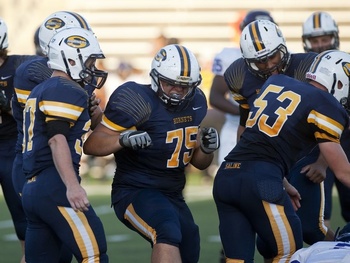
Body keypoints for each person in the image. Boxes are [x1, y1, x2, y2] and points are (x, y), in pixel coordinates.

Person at [83, 44, 220, 263]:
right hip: (135, 190)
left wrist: (206, 149)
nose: (178, 91)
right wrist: (123, 139)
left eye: (184, 86)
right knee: (166, 229)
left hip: (173, 193)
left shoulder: (196, 102)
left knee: (190, 240)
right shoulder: (137, 100)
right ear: (156, 78)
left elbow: (201, 164)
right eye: (170, 84)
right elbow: (91, 144)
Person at [214, 49, 350, 262]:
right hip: (261, 180)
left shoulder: (276, 82)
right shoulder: (326, 103)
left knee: (237, 260)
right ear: (339, 81)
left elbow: (257, 142)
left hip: (227, 177)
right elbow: (343, 172)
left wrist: (284, 183)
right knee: (288, 255)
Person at [224, 19, 335, 248]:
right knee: (268, 238)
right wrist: (247, 161)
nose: (268, 64)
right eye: (259, 61)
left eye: (272, 56)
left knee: (311, 229)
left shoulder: (308, 67)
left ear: (283, 48)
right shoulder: (238, 75)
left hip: (306, 156)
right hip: (269, 161)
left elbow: (333, 119)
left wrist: (323, 162)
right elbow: (246, 124)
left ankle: (342, 253)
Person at [11, 11, 103, 263]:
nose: (93, 68)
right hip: (53, 177)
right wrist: (72, 185)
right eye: (89, 61)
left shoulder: (47, 85)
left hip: (33, 182)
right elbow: (56, 138)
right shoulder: (61, 86)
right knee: (94, 254)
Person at [302, 11, 350, 228]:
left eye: (325, 39)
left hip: (345, 142)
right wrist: (322, 161)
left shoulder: (346, 66)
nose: (320, 45)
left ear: (335, 37)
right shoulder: (304, 70)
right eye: (315, 40)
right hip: (315, 147)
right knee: (320, 215)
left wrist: (325, 161)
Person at [210, 9, 276, 165]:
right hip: (236, 126)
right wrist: (245, 114)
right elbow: (215, 96)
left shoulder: (282, 55)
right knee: (231, 180)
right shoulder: (230, 57)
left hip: (274, 128)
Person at [0, 17, 38, 263]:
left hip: (11, 147)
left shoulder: (21, 66)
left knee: (23, 212)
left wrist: (8, 104)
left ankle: (29, 257)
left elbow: (35, 105)